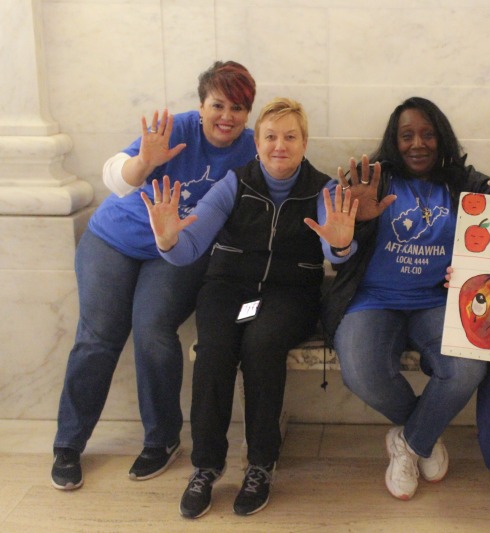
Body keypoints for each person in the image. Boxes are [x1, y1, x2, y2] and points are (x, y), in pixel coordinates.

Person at [319, 96, 490, 501]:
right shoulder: (372, 181)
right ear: (394, 139)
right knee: (359, 371)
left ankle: (408, 442)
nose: (417, 144)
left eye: (427, 134)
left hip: (437, 303)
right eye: (407, 135)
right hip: (372, 301)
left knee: (466, 367)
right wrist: (344, 238)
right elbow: (337, 235)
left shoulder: (462, 182)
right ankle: (423, 433)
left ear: (441, 139)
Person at [143, 97, 353, 519]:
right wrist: (168, 240)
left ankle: (260, 463)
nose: (280, 145)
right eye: (271, 136)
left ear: (304, 142)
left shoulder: (323, 188)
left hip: (286, 297)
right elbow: (190, 247)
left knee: (260, 344)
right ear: (256, 142)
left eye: (290, 136)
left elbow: (339, 248)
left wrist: (341, 242)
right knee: (217, 349)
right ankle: (206, 465)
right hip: (232, 292)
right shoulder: (234, 183)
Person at [51, 60, 257, 491]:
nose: (226, 116)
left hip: (177, 252)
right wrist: (144, 162)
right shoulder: (175, 130)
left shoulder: (253, 149)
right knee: (98, 337)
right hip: (113, 239)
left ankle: (162, 440)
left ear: (248, 112)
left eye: (238, 108)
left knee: (152, 330)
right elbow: (117, 179)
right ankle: (68, 443)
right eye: (218, 105)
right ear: (201, 106)